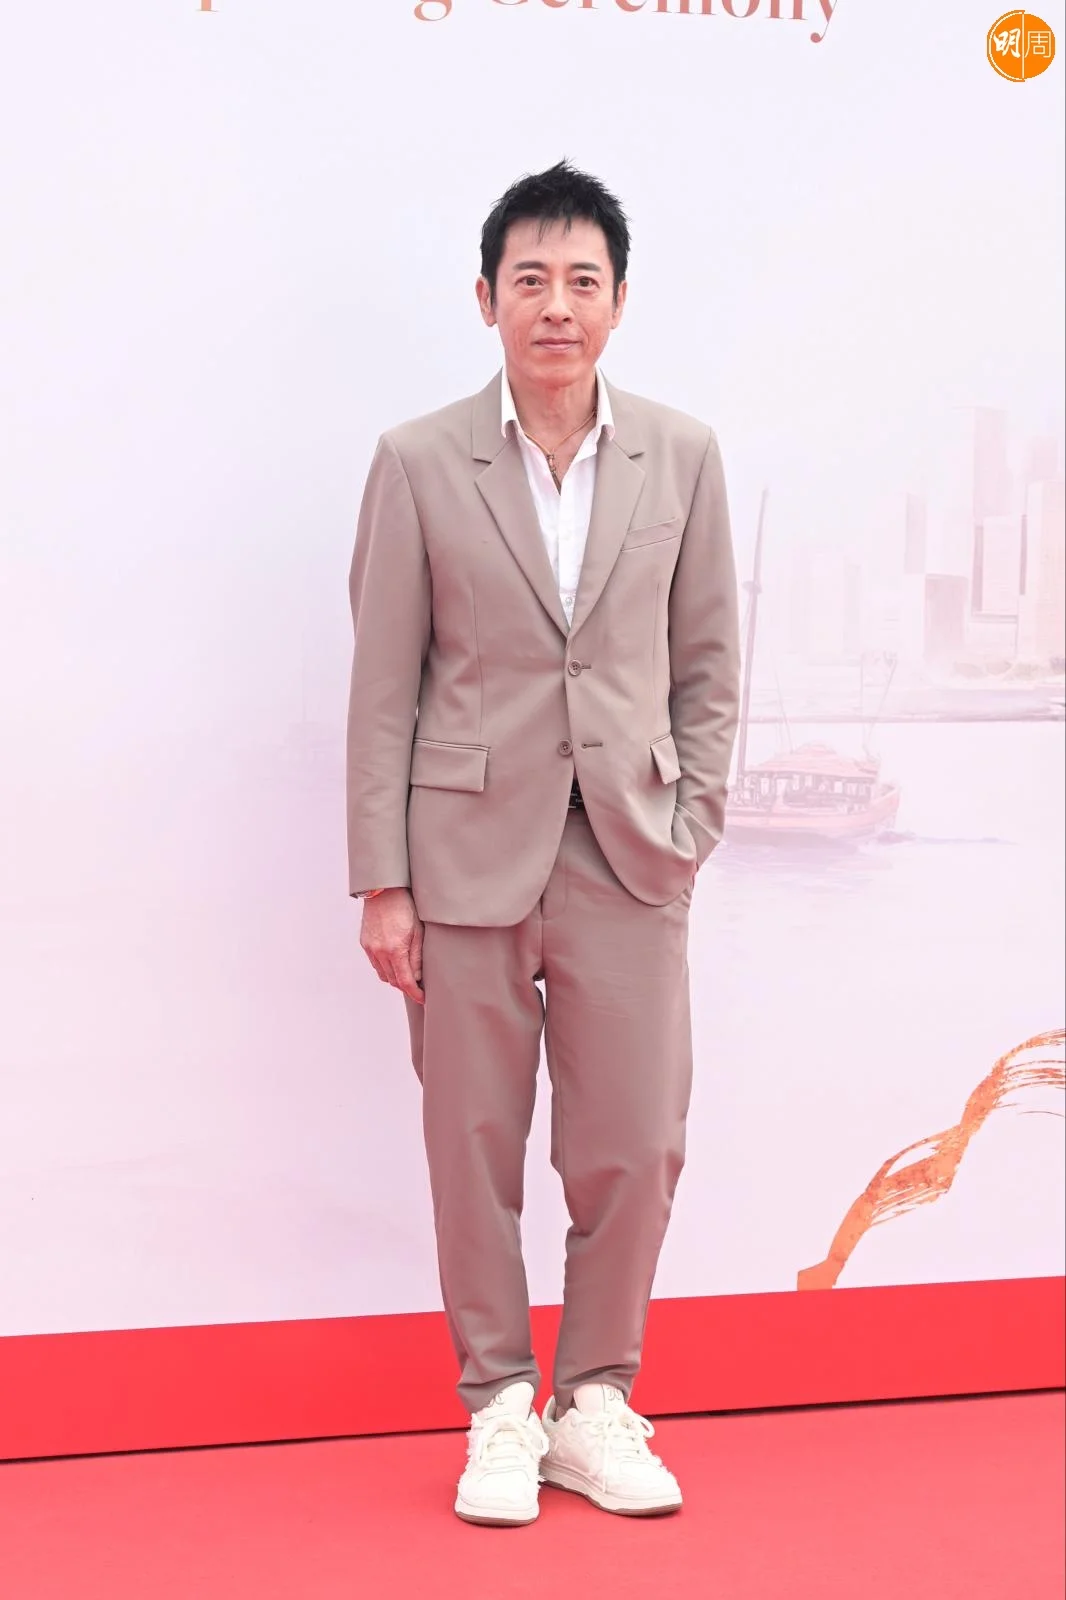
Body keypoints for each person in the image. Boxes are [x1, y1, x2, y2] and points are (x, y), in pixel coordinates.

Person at [346, 161, 740, 1526]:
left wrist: (691, 824)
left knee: (634, 1142)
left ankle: (598, 1402)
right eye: (531, 281)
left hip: (629, 851)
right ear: (486, 299)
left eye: (582, 281)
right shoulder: (417, 461)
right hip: (461, 857)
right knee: (472, 1142)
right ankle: (501, 1407)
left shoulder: (681, 454)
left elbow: (709, 664)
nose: (556, 305)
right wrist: (383, 880)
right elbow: (382, 687)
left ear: (618, 302)